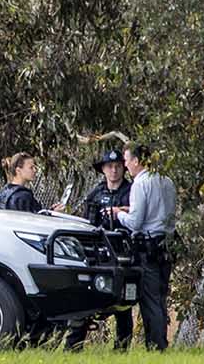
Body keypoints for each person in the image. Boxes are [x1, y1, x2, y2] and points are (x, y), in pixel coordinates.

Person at [108, 143, 177, 350]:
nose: (125, 165)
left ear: (137, 161)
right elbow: (161, 211)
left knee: (150, 300)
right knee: (161, 297)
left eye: (127, 160)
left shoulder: (140, 183)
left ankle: (156, 346)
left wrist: (118, 214)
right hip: (166, 245)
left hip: (148, 247)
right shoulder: (167, 180)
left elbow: (136, 222)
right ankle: (160, 341)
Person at [65, 149, 134, 350]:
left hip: (122, 255)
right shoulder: (96, 193)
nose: (114, 170)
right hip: (99, 256)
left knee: (123, 303)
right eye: (110, 167)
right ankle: (74, 346)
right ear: (103, 169)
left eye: (118, 166)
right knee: (87, 299)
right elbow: (88, 223)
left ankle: (122, 348)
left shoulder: (131, 192)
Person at [0, 153, 64, 213]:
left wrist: (51, 211)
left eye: (34, 167)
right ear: (18, 170)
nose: (35, 170)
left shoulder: (5, 191)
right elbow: (34, 221)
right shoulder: (23, 196)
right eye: (31, 168)